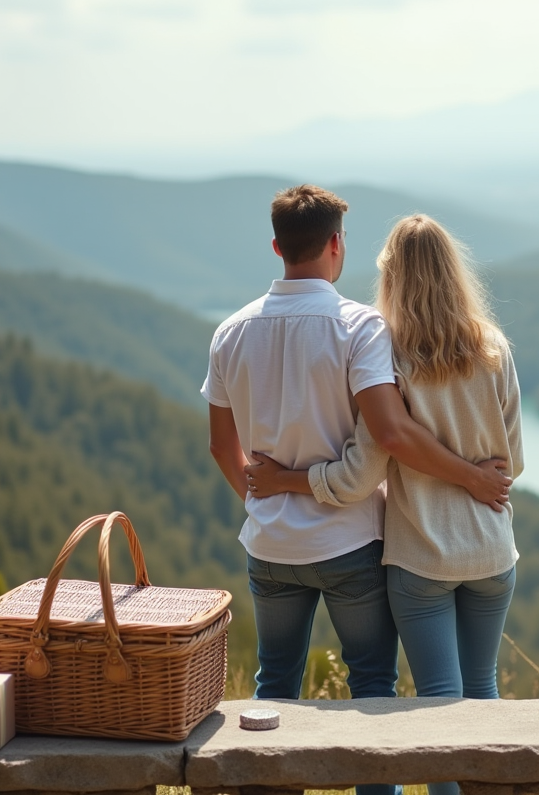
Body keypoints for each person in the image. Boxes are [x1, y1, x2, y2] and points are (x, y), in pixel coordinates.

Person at [202, 188, 511, 795]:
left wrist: (262, 496)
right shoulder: (359, 327)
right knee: (373, 689)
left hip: (271, 546)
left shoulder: (231, 333)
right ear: (336, 245)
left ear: (276, 246)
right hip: (351, 544)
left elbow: (220, 444)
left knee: (275, 688)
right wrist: (475, 476)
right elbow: (390, 433)